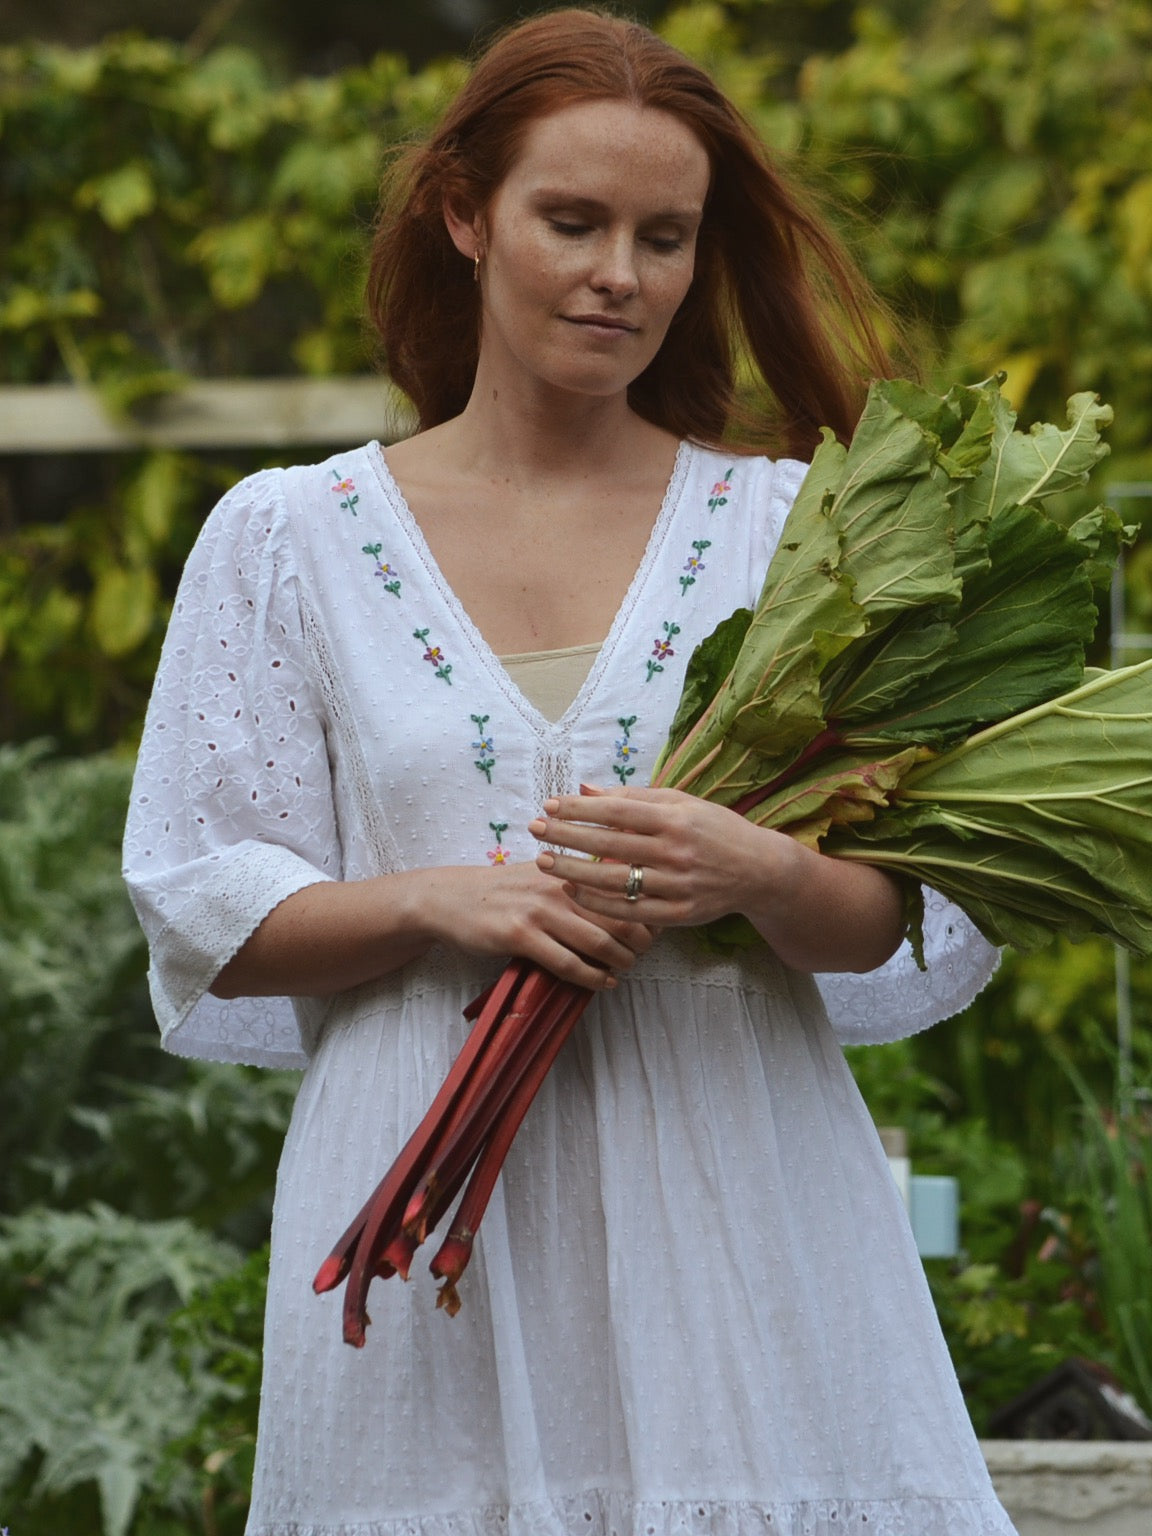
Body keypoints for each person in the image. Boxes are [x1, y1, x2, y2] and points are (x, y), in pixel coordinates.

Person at [123, 10, 1016, 1535]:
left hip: (742, 1190)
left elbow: (902, 916)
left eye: (665, 237)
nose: (622, 273)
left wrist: (765, 872)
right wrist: (439, 906)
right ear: (466, 215)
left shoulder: (799, 529)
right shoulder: (288, 539)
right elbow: (208, 906)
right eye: (574, 220)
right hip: (420, 1200)